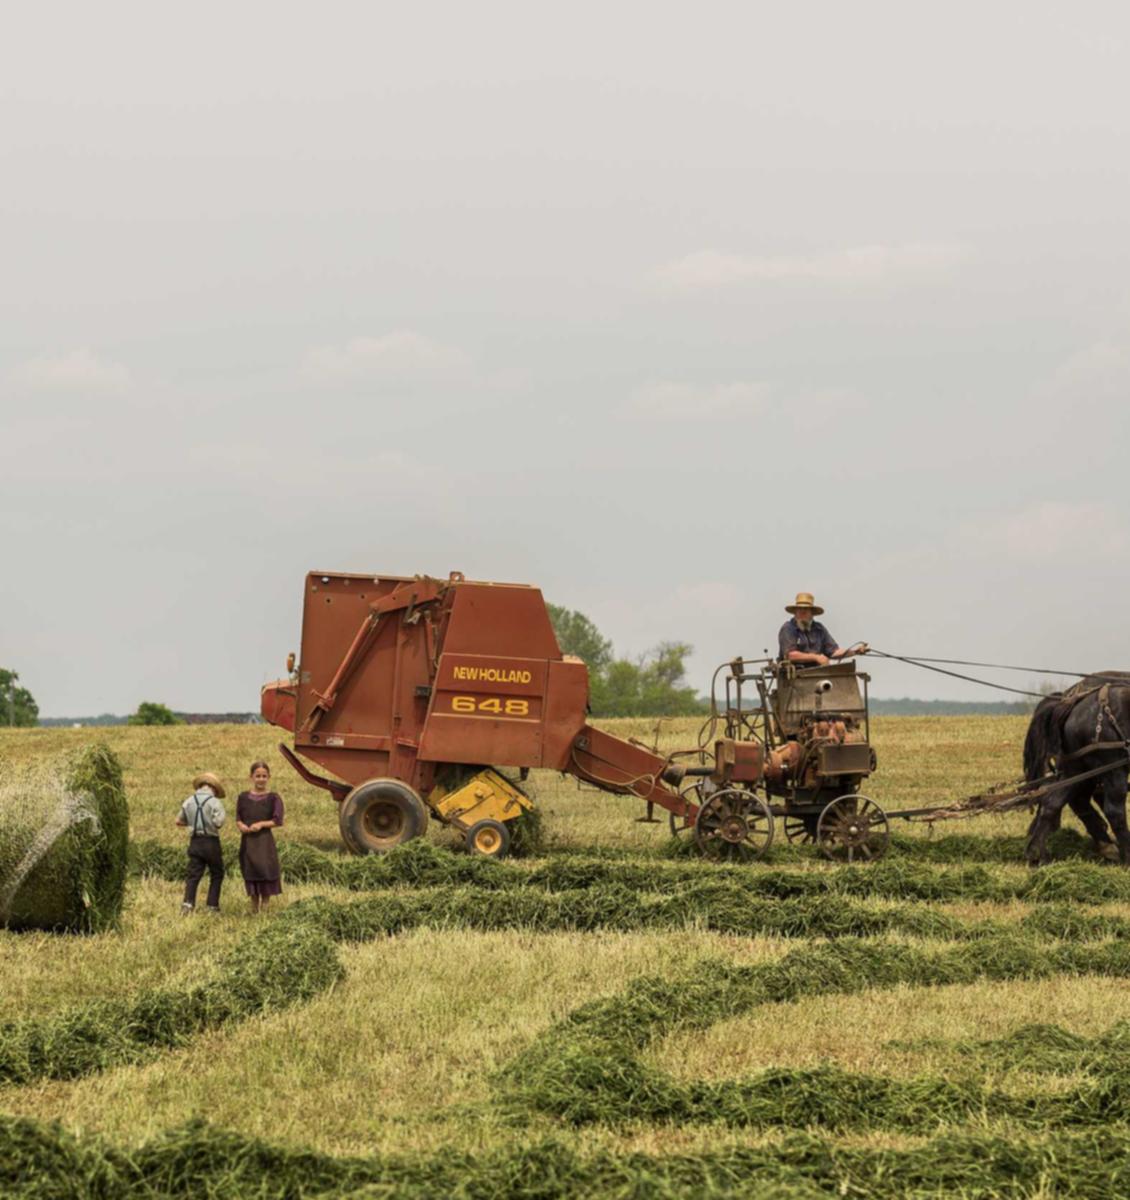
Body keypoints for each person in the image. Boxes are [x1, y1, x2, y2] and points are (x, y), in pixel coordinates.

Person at [176, 771, 227, 915]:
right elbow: (219, 823)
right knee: (217, 873)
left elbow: (178, 821)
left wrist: (192, 822)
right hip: (211, 842)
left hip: (195, 842)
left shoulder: (188, 801)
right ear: (214, 788)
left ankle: (188, 904)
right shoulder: (215, 802)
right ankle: (212, 906)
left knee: (193, 874)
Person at [236, 760, 285, 913]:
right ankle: (253, 908)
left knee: (265, 870)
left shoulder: (273, 798)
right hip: (248, 841)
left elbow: (278, 821)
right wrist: (241, 826)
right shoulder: (243, 797)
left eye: (264, 776)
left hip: (264, 842)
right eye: (258, 776)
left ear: (269, 777)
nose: (261, 779)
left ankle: (265, 907)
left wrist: (262, 824)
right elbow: (238, 818)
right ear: (251, 777)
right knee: (251, 871)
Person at [778, 593, 869, 667]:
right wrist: (816, 657)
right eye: (799, 609)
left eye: (806, 610)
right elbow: (790, 655)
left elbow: (833, 652)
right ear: (795, 612)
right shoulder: (788, 628)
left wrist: (855, 652)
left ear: (812, 613)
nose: (802, 612)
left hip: (818, 673)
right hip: (794, 678)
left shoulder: (819, 629)